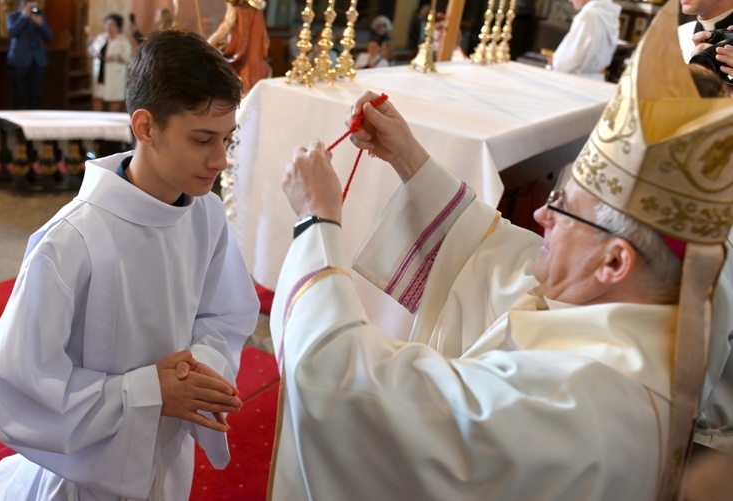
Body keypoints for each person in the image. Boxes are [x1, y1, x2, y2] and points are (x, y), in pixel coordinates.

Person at [267, 1, 733, 499]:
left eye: (563, 206)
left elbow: (342, 388)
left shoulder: (575, 407)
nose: (539, 215)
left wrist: (317, 221)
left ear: (616, 261)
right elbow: (506, 269)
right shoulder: (657, 318)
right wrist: (407, 156)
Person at [0, 29, 259, 500]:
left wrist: (198, 372)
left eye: (227, 140)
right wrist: (150, 392)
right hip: (85, 475)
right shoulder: (72, 242)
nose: (220, 160)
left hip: (166, 455)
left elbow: (224, 317)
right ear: (146, 127)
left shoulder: (206, 214)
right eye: (202, 139)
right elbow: (17, 388)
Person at [207, 0, 270, 94]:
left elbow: (226, 28)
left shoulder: (237, 7)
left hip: (241, 62)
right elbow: (265, 40)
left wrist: (207, 44)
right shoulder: (257, 8)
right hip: (257, 63)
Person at [550, 0, 620, 79]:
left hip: (574, 80)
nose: (569, 0)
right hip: (595, 79)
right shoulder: (607, 13)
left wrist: (556, 61)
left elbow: (570, 59)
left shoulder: (588, 15)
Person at [6, 0, 53, 110]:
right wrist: (23, 17)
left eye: (35, 7)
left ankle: (35, 119)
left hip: (37, 59)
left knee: (36, 93)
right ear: (23, 6)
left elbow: (50, 36)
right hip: (20, 59)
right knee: (19, 93)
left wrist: (41, 24)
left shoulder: (40, 16)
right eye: (30, 7)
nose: (33, 10)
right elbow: (11, 33)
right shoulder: (13, 16)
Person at [88, 13, 132, 112]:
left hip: (115, 74)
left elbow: (128, 57)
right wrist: (94, 53)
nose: (108, 27)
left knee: (114, 98)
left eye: (111, 24)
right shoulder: (101, 38)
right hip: (100, 73)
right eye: (107, 24)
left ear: (118, 26)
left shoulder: (123, 40)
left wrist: (115, 57)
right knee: (98, 97)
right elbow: (91, 49)